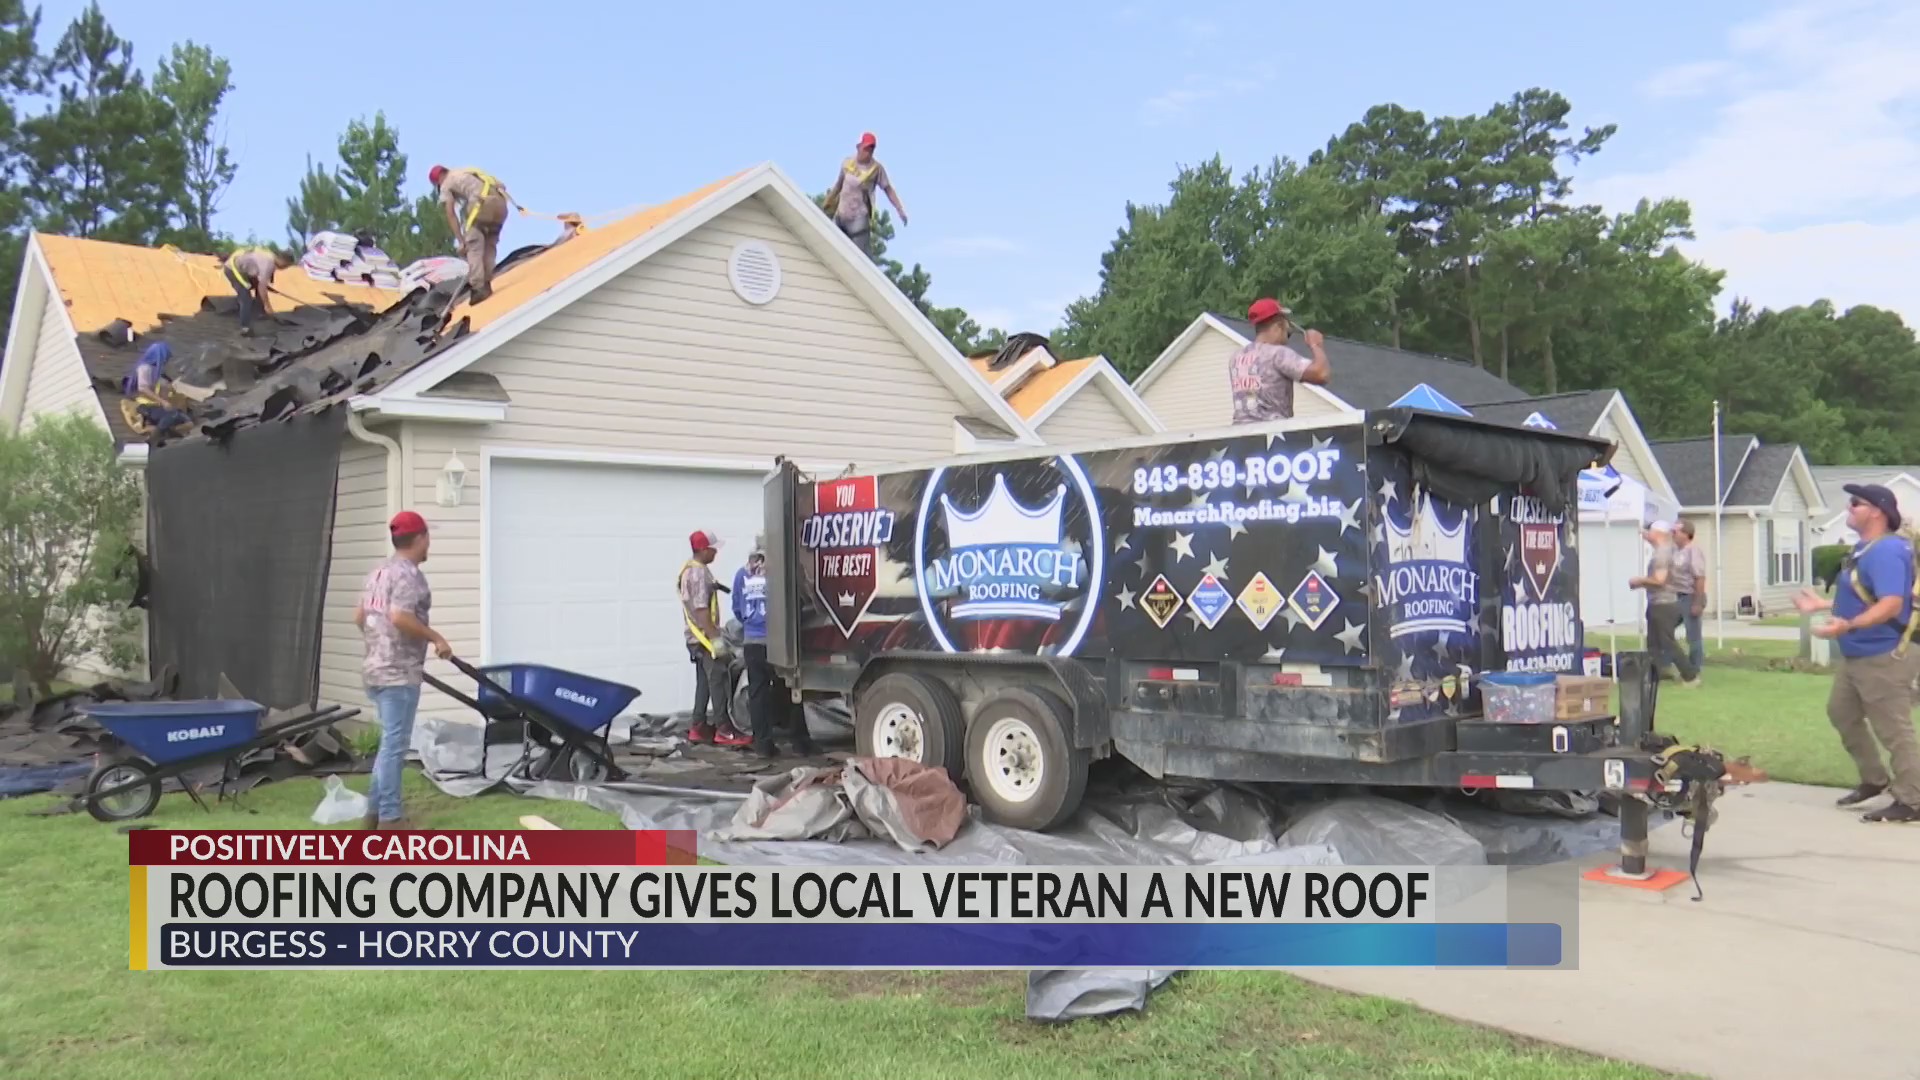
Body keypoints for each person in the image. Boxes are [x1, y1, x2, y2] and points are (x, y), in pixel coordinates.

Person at [1793, 483, 1920, 823]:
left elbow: (1891, 604)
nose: (1848, 508)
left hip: (1884, 654)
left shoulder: (1886, 550)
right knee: (1842, 712)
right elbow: (1866, 597)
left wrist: (1847, 626)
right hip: (1859, 654)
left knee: (1894, 730)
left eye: (1855, 503)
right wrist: (1823, 605)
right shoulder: (1866, 549)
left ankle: (1912, 800)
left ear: (1877, 511)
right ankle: (1874, 779)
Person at [353, 510, 453, 828]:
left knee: (389, 745)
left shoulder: (378, 573)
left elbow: (360, 616)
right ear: (420, 538)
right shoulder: (409, 576)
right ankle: (391, 819)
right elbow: (399, 616)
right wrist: (436, 638)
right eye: (428, 537)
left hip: (374, 671)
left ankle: (372, 815)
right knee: (394, 748)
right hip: (398, 675)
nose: (429, 543)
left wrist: (378, 644)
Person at [681, 529, 750, 748]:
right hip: (705, 638)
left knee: (704, 682)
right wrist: (715, 639)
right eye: (713, 549)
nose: (716, 553)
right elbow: (701, 609)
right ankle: (724, 730)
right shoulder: (698, 573)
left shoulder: (689, 569)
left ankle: (698, 726)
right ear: (703, 549)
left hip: (695, 638)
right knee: (718, 680)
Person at [1228, 298, 1331, 424]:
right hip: (1272, 430)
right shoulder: (1278, 354)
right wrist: (1316, 345)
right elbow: (1321, 374)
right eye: (1288, 326)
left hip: (1240, 431)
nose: (1288, 331)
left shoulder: (1236, 358)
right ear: (1279, 325)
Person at [1629, 521, 1701, 688]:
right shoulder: (1666, 550)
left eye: (1650, 531)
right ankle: (1659, 673)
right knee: (1653, 643)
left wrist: (1639, 581)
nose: (1646, 534)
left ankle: (1690, 676)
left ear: (1658, 533)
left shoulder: (1662, 553)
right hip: (1658, 602)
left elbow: (1660, 580)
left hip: (1664, 603)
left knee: (1667, 641)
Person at [430, 165, 511, 303]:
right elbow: (501, 185)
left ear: (438, 180)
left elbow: (450, 213)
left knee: (473, 245)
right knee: (489, 244)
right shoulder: (467, 172)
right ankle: (486, 281)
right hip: (500, 206)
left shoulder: (446, 184)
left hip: (482, 205)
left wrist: (461, 241)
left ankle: (479, 287)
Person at [822, 132, 907, 257]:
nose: (868, 153)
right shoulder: (847, 164)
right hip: (841, 216)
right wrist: (827, 202)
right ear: (859, 147)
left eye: (871, 150)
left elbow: (888, 189)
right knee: (832, 251)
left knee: (857, 257)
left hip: (858, 220)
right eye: (866, 149)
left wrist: (899, 209)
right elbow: (838, 185)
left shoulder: (876, 169)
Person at [222, 247, 293, 336]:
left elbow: (260, 282)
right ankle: (245, 328)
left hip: (245, 271)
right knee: (245, 298)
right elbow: (262, 287)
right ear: (282, 260)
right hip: (232, 270)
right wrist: (268, 306)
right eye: (286, 265)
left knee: (260, 291)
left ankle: (259, 314)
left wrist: (263, 287)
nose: (285, 268)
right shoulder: (268, 263)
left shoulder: (271, 259)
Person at [1671, 520, 1710, 678]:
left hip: (1690, 597)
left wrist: (1697, 602)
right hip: (1676, 597)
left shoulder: (1693, 551)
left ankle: (1694, 670)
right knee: (1664, 630)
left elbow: (1699, 577)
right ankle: (1673, 665)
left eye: (1676, 531)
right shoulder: (1676, 552)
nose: (1673, 534)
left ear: (1686, 534)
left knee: (1693, 637)